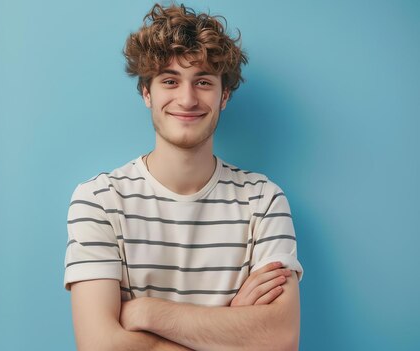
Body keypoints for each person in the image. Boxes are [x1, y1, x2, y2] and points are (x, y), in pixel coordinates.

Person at [63, 3, 303, 350]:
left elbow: (280, 340)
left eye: (203, 81)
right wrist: (232, 328)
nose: (187, 99)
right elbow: (100, 346)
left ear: (224, 95)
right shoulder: (99, 200)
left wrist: (146, 313)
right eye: (170, 81)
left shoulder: (263, 200)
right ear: (147, 92)